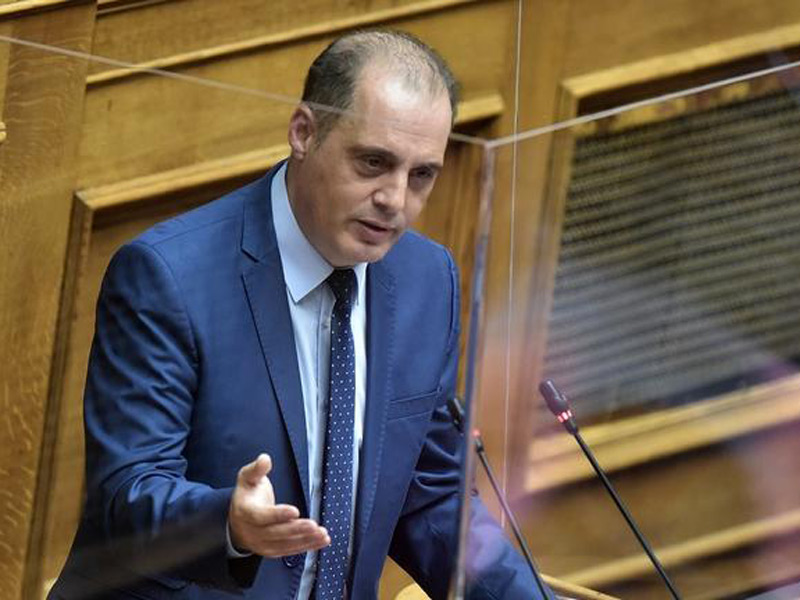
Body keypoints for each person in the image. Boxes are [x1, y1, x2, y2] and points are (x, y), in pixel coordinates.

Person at [51, 30, 553, 599]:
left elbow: (430, 494)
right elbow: (126, 495)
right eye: (373, 162)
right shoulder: (168, 277)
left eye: (421, 175)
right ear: (304, 133)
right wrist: (228, 525)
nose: (395, 200)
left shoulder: (426, 279)